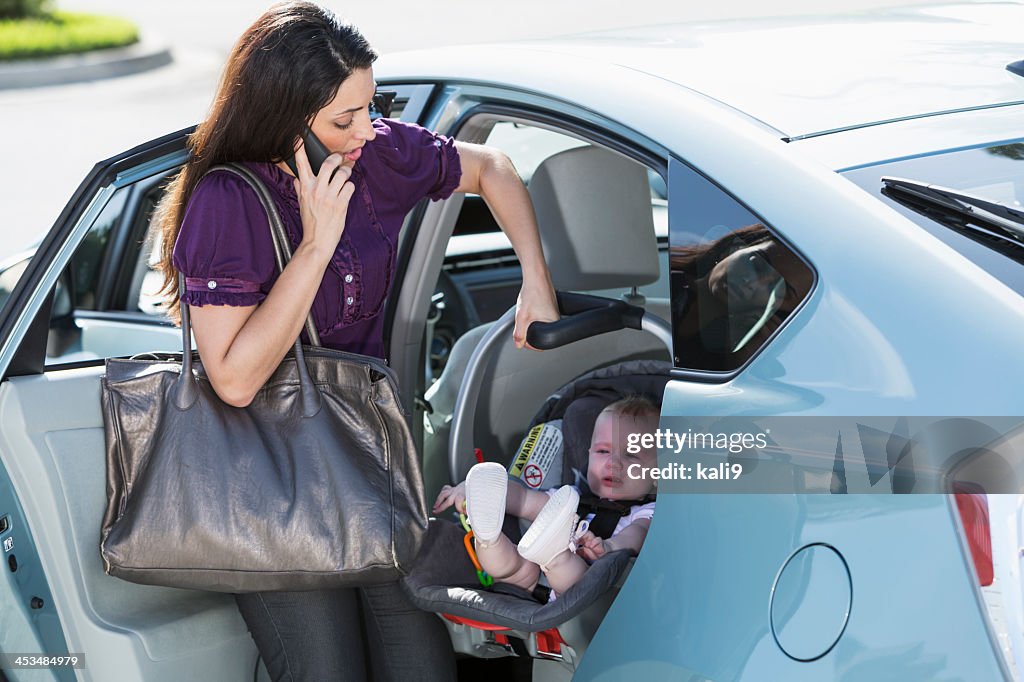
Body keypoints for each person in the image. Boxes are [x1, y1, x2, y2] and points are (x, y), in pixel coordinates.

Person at [154, 2, 559, 680]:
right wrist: (317, 241)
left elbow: (493, 167)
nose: (367, 130)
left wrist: (535, 282)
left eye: (371, 107)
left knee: (422, 664)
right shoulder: (226, 203)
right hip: (266, 481)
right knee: (328, 669)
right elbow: (233, 379)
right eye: (344, 119)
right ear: (285, 118)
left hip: (367, 459)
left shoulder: (376, 154)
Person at [432, 396, 659, 597]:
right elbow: (523, 500)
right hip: (531, 580)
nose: (613, 463)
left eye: (631, 455)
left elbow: (635, 537)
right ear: (589, 455)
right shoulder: (572, 497)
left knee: (574, 573)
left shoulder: (648, 512)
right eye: (603, 451)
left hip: (588, 594)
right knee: (509, 566)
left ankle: (554, 556)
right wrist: (477, 492)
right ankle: (488, 538)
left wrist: (607, 548)